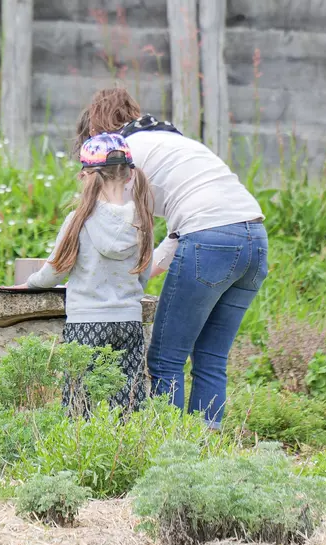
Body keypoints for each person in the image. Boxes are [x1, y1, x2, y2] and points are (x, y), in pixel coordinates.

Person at [78, 87, 268, 429]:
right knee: (210, 358)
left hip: (209, 240)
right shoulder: (175, 142)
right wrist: (149, 269)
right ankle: (205, 454)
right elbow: (180, 231)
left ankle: (169, 452)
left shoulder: (124, 153)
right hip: (255, 240)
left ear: (97, 131)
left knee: (166, 360)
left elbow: (119, 227)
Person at [17, 133, 154, 412]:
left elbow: (56, 270)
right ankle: (126, 451)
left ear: (87, 176)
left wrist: (29, 283)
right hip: (128, 322)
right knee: (128, 400)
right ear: (128, 176)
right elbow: (143, 275)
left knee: (79, 400)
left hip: (86, 324)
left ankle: (80, 454)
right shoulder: (142, 221)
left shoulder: (79, 219)